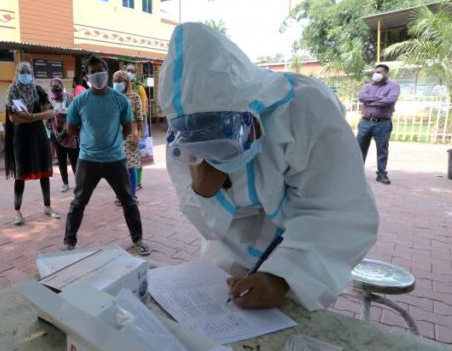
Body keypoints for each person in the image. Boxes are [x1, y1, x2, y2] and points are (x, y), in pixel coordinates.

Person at [159, 23, 378, 310]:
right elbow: (205, 223)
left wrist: (284, 277)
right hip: (225, 261)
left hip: (304, 263)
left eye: (221, 135)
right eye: (198, 140)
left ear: (251, 110)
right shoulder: (182, 139)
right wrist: (203, 191)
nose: (210, 151)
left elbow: (338, 211)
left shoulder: (305, 110)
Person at [64, 55, 150, 256]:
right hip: (88, 160)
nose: (97, 74)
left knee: (129, 200)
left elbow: (127, 127)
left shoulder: (120, 100)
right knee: (78, 202)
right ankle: (69, 243)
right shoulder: (79, 101)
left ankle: (138, 239)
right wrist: (88, 138)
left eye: (100, 71)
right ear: (86, 76)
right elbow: (70, 128)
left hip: (115, 159)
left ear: (107, 72)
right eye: (92, 72)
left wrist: (113, 142)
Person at [5, 62, 61, 225]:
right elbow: (13, 118)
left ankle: (47, 206)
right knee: (20, 174)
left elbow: (51, 112)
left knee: (44, 171)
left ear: (32, 74)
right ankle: (17, 211)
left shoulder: (38, 91)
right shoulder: (12, 92)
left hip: (38, 135)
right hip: (21, 137)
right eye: (22, 72)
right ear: (17, 74)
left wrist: (32, 117)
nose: (25, 75)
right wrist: (33, 117)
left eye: (28, 72)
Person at [356, 64, 400, 185]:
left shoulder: (394, 86)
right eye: (375, 72)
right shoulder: (367, 86)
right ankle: (356, 174)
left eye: (379, 72)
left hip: (383, 123)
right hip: (365, 122)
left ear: (386, 73)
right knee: (359, 148)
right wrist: (380, 99)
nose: (376, 74)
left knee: (382, 149)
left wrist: (370, 100)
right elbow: (361, 97)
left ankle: (381, 175)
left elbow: (390, 100)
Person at [112, 70, 143, 204]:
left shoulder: (134, 97)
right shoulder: (111, 97)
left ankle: (132, 195)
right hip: (114, 137)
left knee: (130, 167)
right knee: (117, 168)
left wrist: (139, 134)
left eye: (120, 81)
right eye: (115, 81)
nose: (117, 84)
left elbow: (139, 117)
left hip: (130, 136)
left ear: (126, 82)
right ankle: (120, 195)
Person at [48, 77, 79, 192]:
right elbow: (49, 115)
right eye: (53, 87)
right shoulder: (52, 100)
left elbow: (76, 113)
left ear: (62, 86)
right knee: (61, 160)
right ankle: (65, 183)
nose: (55, 89)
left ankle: (79, 183)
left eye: (57, 86)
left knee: (74, 160)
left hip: (70, 134)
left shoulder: (70, 98)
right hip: (56, 134)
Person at [125, 64, 148, 190]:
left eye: (132, 71)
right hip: (124, 130)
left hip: (137, 126)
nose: (130, 73)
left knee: (138, 154)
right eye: (128, 70)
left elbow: (143, 110)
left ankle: (137, 181)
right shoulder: (120, 89)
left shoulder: (139, 88)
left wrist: (142, 130)